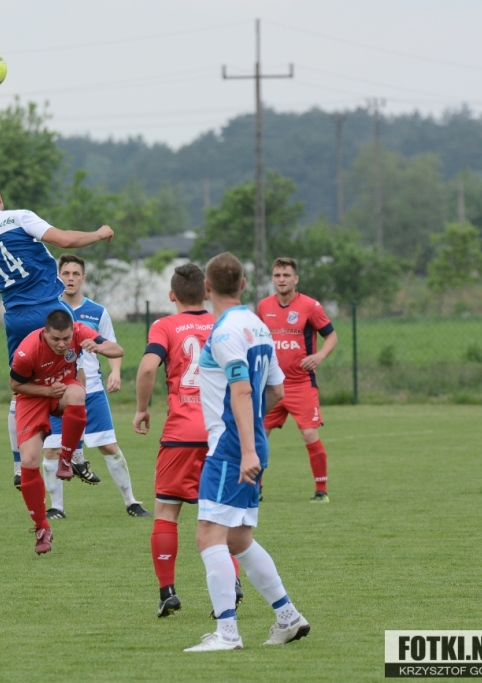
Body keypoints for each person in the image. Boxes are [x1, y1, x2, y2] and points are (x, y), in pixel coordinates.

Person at [184, 252, 310, 652]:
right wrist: (254, 431)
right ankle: (288, 617)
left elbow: (241, 390)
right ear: (242, 285)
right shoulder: (258, 325)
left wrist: (246, 449)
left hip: (231, 448)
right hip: (250, 442)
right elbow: (276, 391)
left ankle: (227, 633)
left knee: (208, 536)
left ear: (207, 288)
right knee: (238, 539)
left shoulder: (224, 333)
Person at [0, 177, 114, 490]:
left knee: (20, 388)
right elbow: (64, 241)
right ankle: (73, 453)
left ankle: (19, 465)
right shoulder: (18, 217)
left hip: (16, 318)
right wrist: (99, 233)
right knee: (77, 373)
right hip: (49, 309)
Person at [134, 263, 243, 617]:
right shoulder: (222, 324)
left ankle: (167, 592)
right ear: (206, 292)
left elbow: (148, 368)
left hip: (180, 434)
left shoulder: (164, 326)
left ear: (172, 295)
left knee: (167, 512)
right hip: (220, 434)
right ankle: (232, 581)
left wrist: (142, 409)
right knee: (219, 517)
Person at [42, 255, 150, 519]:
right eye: (65, 273)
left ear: (83, 278)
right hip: (59, 392)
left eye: (75, 274)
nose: (70, 278)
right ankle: (56, 508)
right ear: (59, 277)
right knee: (52, 450)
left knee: (109, 446)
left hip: (91, 391)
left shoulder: (97, 312)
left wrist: (115, 372)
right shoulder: (50, 311)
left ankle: (131, 502)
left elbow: (112, 345)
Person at [9, 308, 124, 554]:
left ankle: (66, 458)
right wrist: (47, 391)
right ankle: (42, 527)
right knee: (29, 461)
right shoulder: (27, 350)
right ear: (45, 333)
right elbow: (15, 384)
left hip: (62, 388)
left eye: (66, 338)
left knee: (77, 394)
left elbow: (118, 350)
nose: (62, 344)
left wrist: (98, 347)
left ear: (73, 331)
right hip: (33, 397)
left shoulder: (81, 332)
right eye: (55, 339)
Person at [256, 257, 338, 503]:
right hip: (272, 385)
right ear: (272, 279)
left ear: (296, 279)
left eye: (286, 275)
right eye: (277, 275)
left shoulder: (310, 306)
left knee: (309, 434)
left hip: (301, 384)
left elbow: (331, 336)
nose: (281, 280)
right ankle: (255, 489)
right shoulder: (263, 307)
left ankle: (321, 491)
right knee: (259, 434)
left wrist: (319, 356)